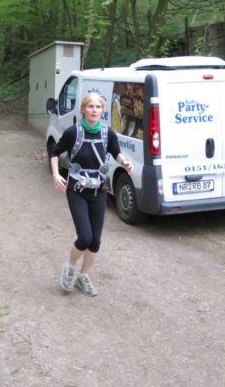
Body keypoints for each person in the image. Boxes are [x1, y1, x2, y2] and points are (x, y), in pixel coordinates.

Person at [50, 92, 134, 296]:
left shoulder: (107, 132)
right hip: (77, 191)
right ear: (83, 110)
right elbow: (55, 152)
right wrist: (56, 174)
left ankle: (84, 277)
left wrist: (125, 162)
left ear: (102, 110)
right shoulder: (73, 132)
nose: (94, 110)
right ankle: (70, 268)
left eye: (98, 107)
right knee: (85, 237)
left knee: (95, 241)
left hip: (99, 190)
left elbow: (115, 152)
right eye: (90, 106)